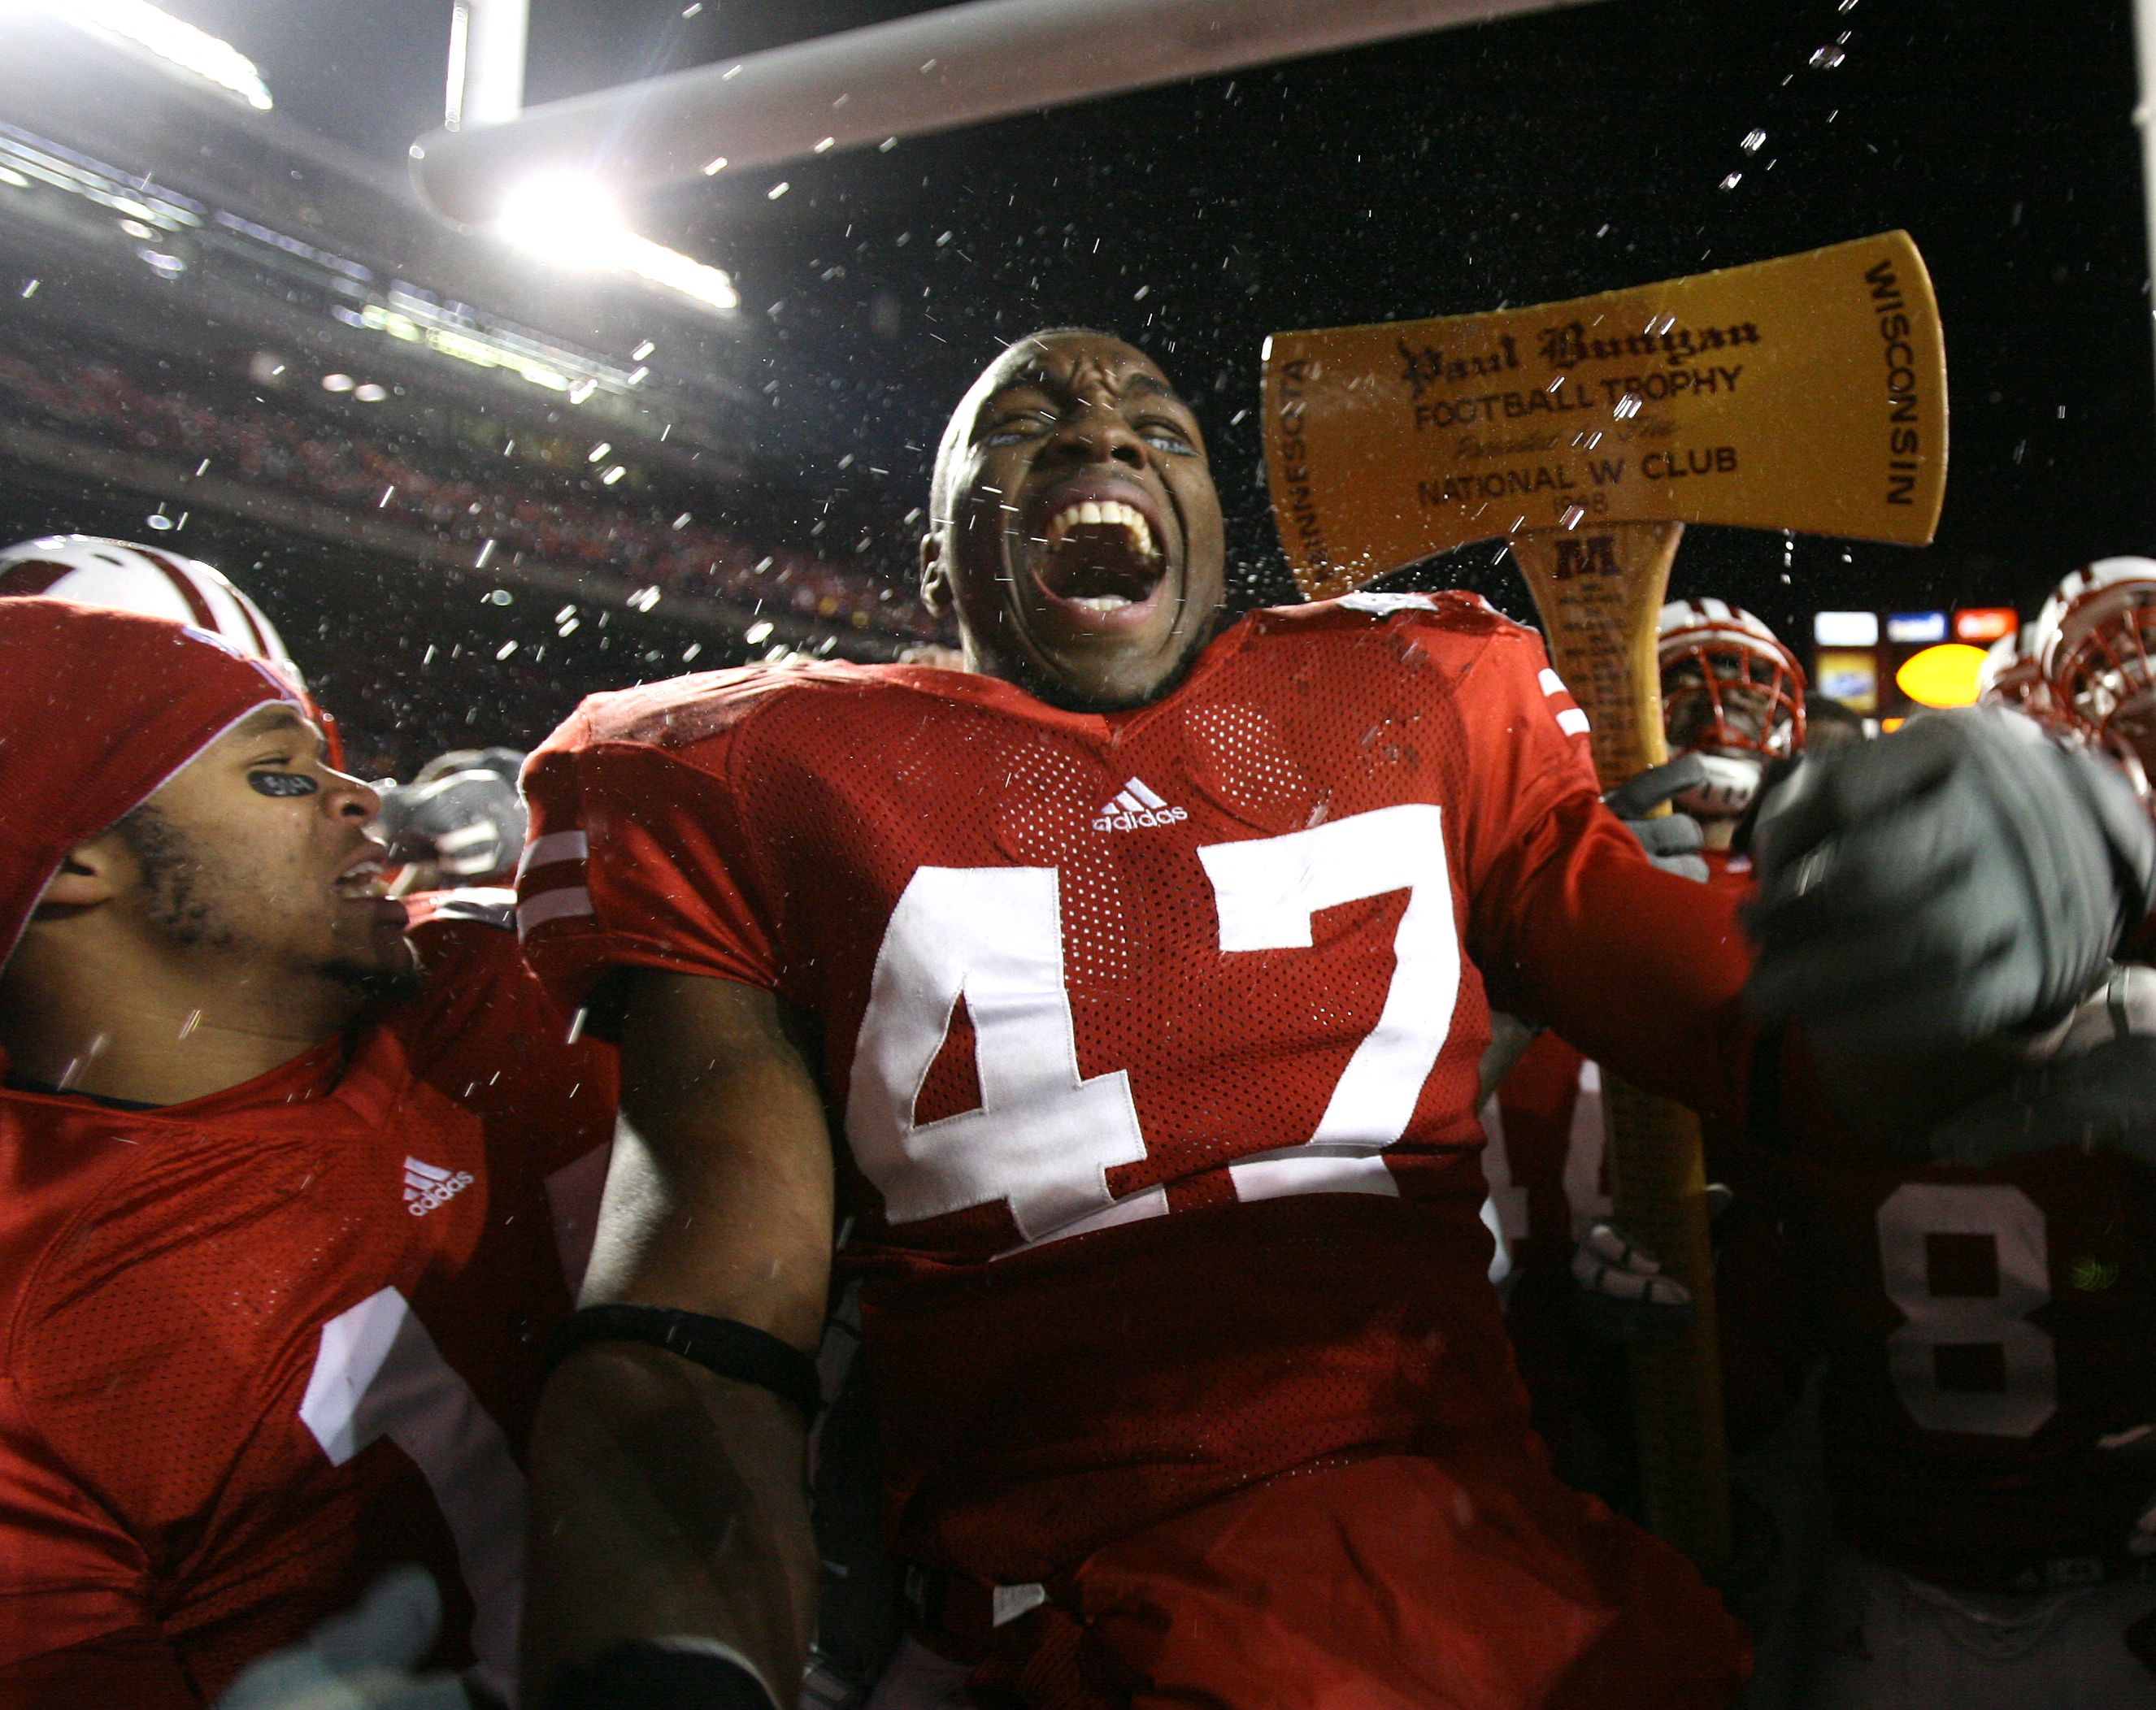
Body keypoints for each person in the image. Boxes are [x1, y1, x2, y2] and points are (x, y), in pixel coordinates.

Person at [511, 328, 2151, 1710]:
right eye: (1027, 423)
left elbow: (1773, 1046)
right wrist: (668, 1657)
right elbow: (694, 1327)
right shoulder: (751, 767)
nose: (1102, 431)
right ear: (939, 560)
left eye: (1161, 424)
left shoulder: (1423, 696)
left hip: (1482, 1569)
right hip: (1054, 1617)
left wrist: (1971, 953)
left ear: (1218, 529)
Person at [0, 599, 615, 1706]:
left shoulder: (499, 975)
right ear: (80, 858)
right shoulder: (37, 1331)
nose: (364, 796)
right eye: (278, 776)